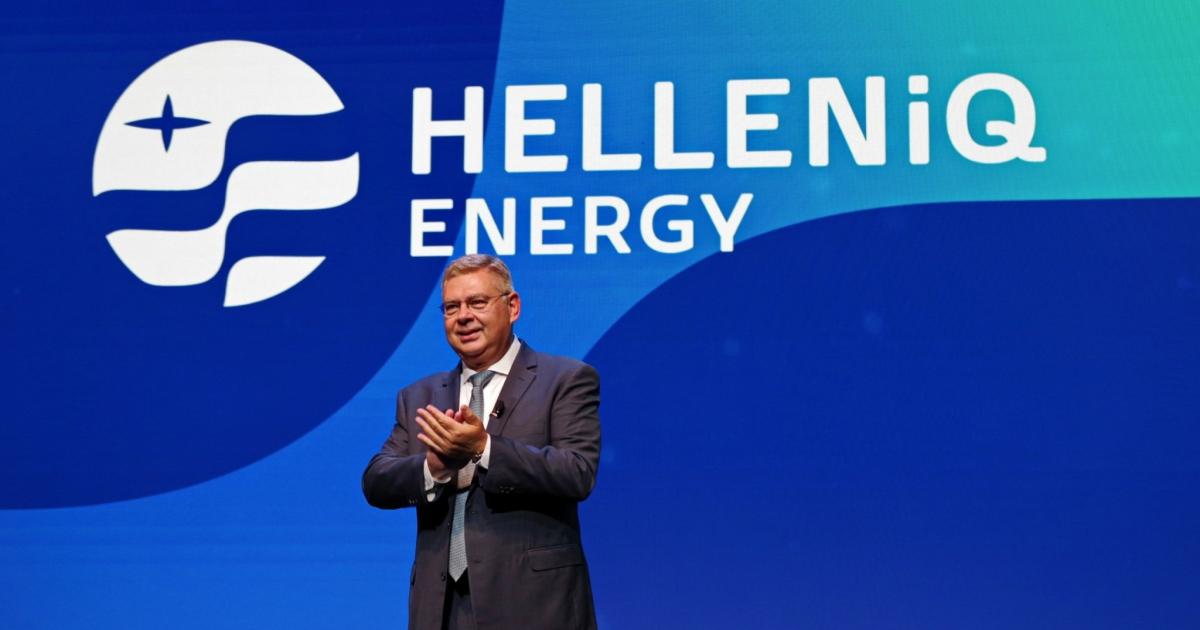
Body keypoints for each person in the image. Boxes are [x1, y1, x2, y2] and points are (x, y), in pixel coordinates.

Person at [363, 254, 601, 630]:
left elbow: (576, 471)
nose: (463, 317)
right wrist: (434, 468)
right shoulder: (420, 396)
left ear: (512, 306)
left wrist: (483, 449)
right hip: (441, 609)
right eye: (451, 307)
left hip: (534, 604)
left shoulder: (565, 379)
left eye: (477, 302)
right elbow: (377, 481)